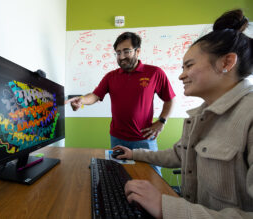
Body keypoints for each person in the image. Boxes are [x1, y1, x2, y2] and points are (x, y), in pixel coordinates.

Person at [113, 9, 253, 219]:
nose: (181, 75)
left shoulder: (248, 116)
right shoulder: (200, 115)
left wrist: (168, 207)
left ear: (226, 63)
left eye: (189, 66)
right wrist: (134, 154)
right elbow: (179, 154)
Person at [65, 32, 176, 176]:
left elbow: (170, 99)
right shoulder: (111, 76)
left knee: (153, 179)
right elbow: (95, 96)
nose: (121, 57)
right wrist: (81, 100)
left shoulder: (155, 73)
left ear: (138, 51)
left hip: (144, 140)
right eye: (118, 53)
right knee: (119, 178)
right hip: (118, 139)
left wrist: (162, 121)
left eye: (126, 51)